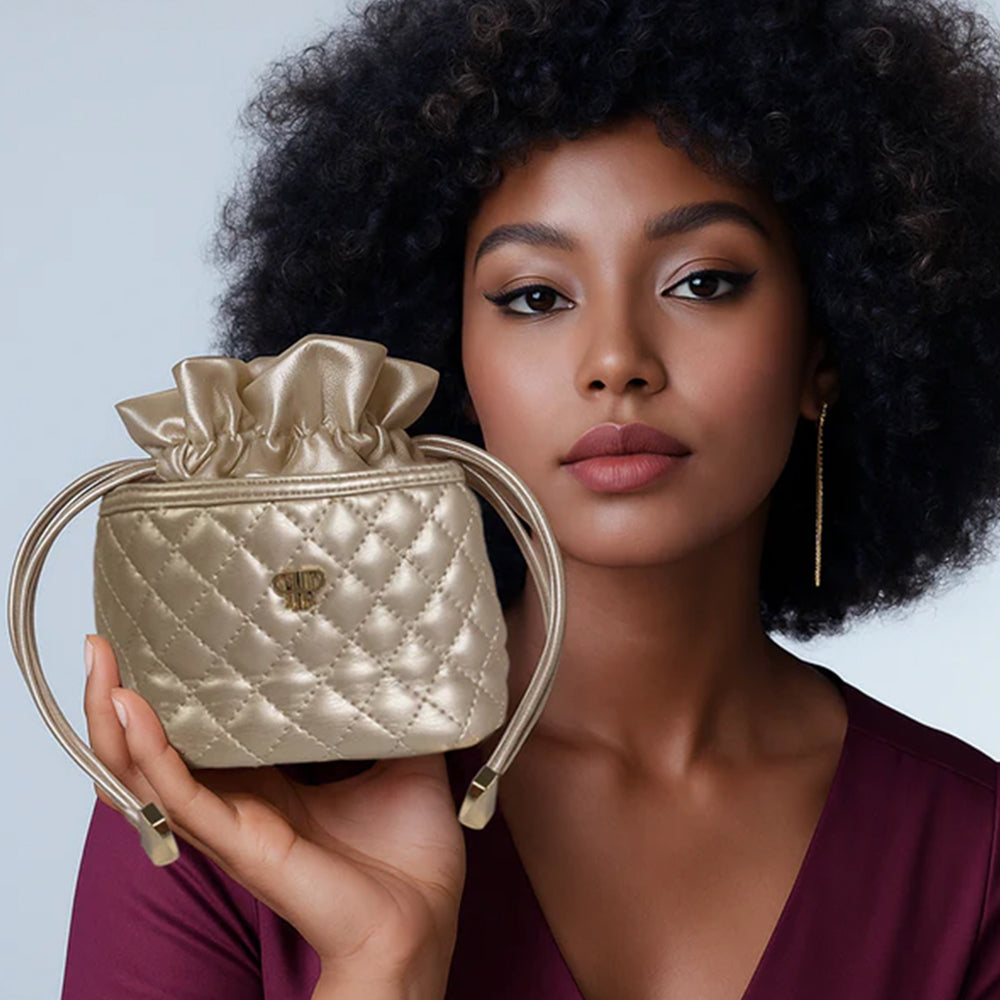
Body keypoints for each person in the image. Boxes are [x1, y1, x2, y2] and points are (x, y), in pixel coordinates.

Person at [61, 0, 1000, 997]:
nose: (615, 363)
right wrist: (381, 958)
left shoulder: (971, 859)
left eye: (703, 282)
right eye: (536, 297)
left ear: (826, 349)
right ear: (450, 365)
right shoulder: (227, 803)